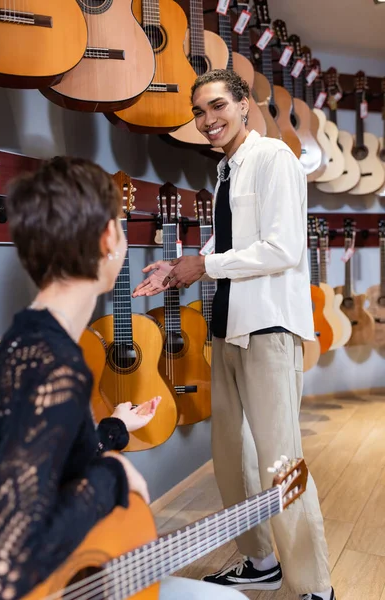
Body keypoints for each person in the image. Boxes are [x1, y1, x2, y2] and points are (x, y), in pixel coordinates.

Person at [0, 157, 245, 600]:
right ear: (110, 237)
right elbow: (7, 556)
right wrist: (115, 478)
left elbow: (39, 460)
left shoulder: (24, 340)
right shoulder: (57, 363)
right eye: (121, 230)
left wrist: (113, 431)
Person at [132, 70, 335, 600]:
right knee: (232, 458)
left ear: (245, 105)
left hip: (268, 328)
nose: (207, 120)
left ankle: (314, 586)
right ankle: (260, 559)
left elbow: (283, 249)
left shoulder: (275, 159)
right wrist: (180, 267)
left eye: (218, 106)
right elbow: (225, 252)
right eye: (199, 112)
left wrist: (204, 265)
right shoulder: (226, 171)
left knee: (280, 462)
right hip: (227, 330)